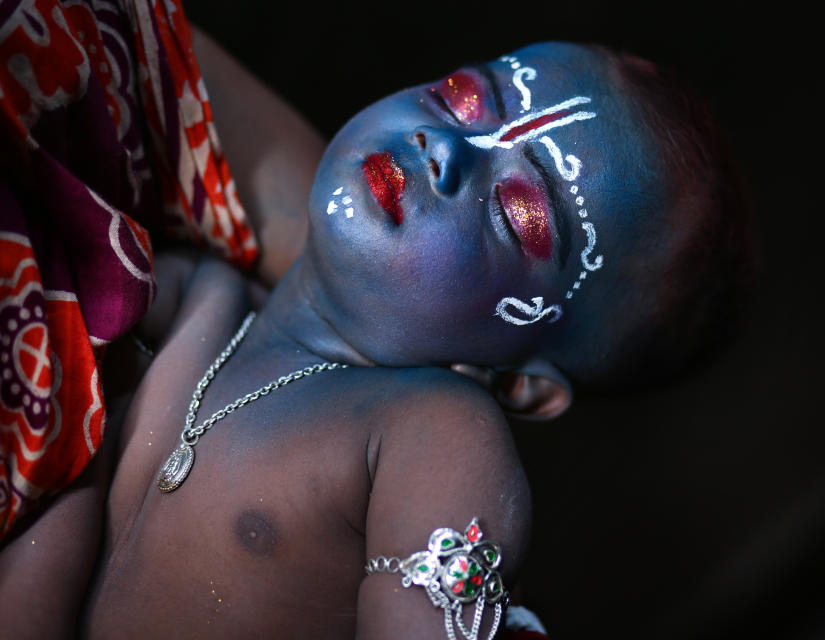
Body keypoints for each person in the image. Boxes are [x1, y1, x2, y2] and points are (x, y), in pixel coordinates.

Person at [0, 6, 751, 639]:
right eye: (458, 100)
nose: (448, 151)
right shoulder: (192, 294)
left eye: (518, 214)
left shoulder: (431, 434)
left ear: (518, 382)